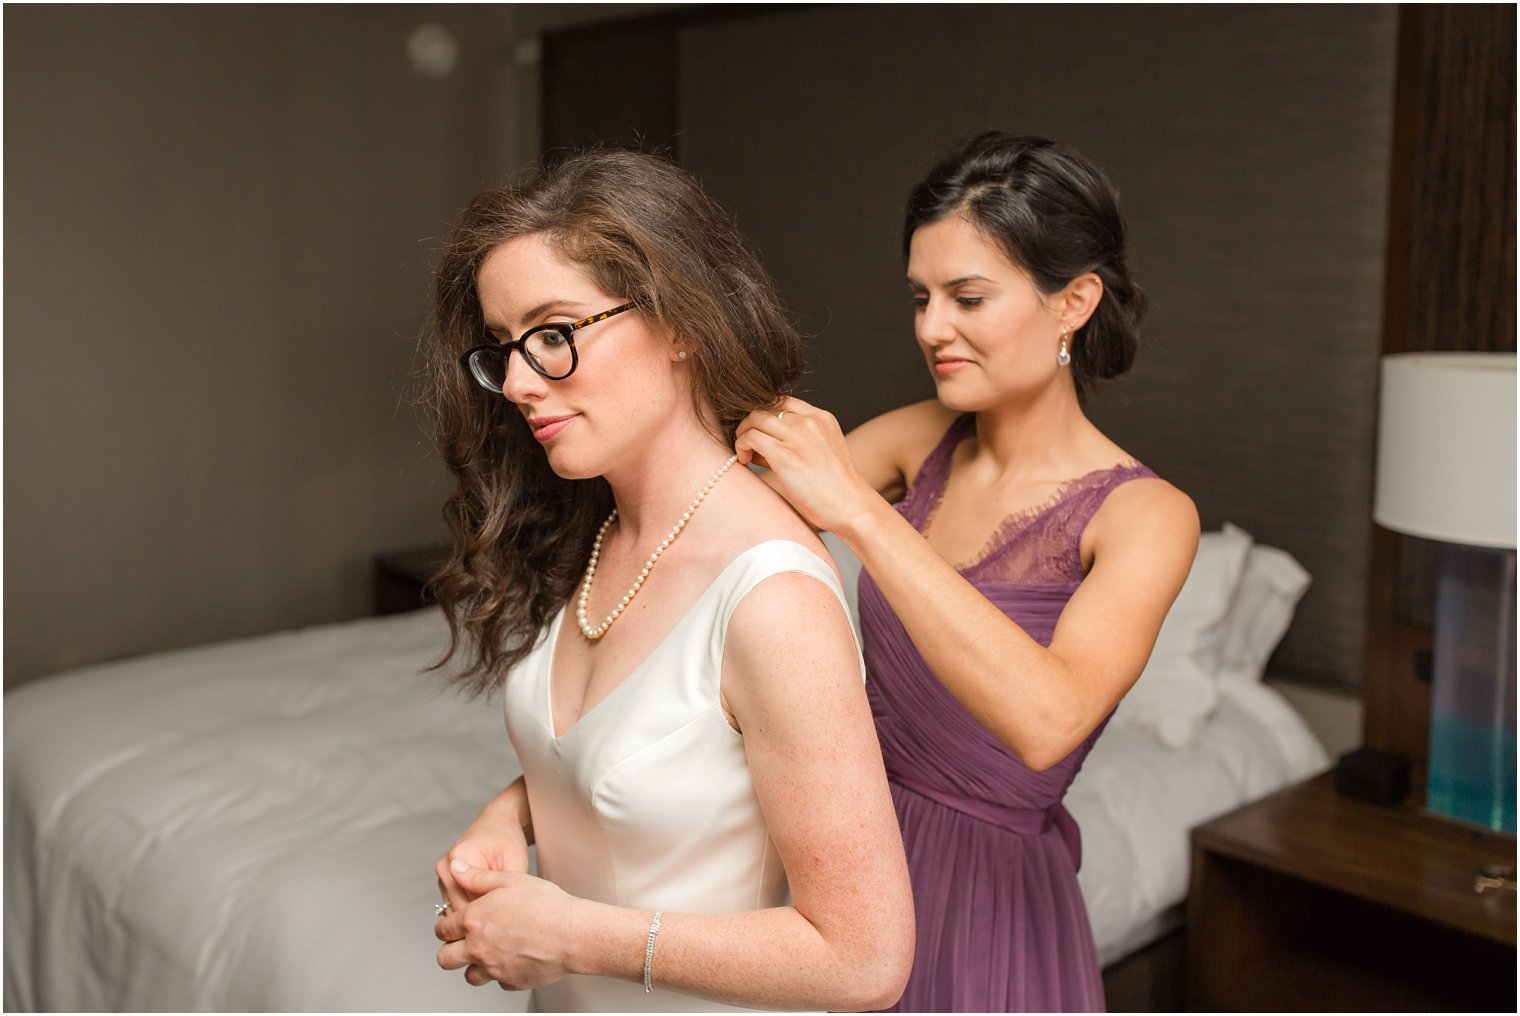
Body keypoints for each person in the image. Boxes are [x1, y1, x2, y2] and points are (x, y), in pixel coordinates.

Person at [420, 148, 914, 1013]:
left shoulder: (772, 596)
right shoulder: (601, 526)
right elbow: (652, 759)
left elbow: (865, 960)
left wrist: (569, 933)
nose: (521, 385)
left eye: (554, 334)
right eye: (503, 349)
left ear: (680, 320)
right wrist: (514, 816)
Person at [735, 133, 1200, 1012]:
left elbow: (1047, 719)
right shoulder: (920, 440)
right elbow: (714, 526)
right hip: (850, 859)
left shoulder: (1146, 516)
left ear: (1075, 302)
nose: (929, 329)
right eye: (921, 297)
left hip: (987, 901)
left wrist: (863, 514)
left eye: (968, 297)